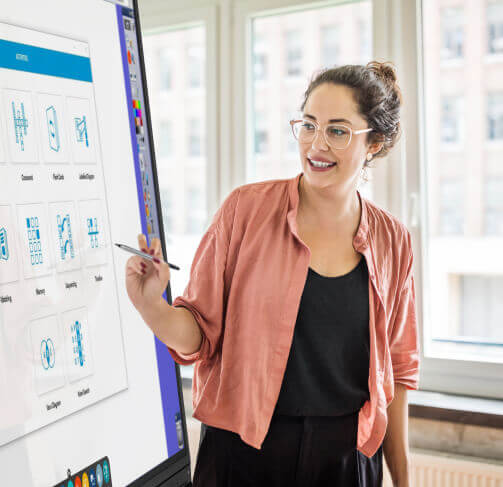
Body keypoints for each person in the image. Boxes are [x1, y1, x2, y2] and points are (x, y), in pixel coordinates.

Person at [125, 61, 420, 487]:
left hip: (347, 463)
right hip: (242, 456)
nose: (316, 145)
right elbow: (198, 337)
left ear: (373, 143)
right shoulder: (244, 212)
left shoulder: (393, 240)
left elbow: (398, 368)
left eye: (337, 131)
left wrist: (404, 479)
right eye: (309, 125)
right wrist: (152, 305)